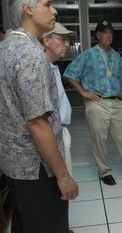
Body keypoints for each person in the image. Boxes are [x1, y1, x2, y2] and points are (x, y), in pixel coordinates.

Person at [0, 0, 78, 233]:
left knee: (24, 225)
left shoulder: (6, 47)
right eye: (48, 4)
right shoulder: (31, 56)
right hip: (38, 169)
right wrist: (63, 177)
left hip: (14, 166)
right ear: (28, 9)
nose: (54, 10)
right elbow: (37, 121)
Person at [63, 19, 122, 186]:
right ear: (98, 35)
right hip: (97, 103)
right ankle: (105, 172)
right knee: (99, 140)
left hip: (117, 103)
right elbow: (69, 73)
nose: (109, 36)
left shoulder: (117, 56)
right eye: (105, 33)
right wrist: (83, 91)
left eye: (111, 33)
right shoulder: (88, 55)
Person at [42, 22, 76, 176]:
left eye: (67, 40)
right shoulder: (41, 70)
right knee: (61, 183)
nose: (67, 44)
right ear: (46, 41)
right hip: (52, 135)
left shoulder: (52, 67)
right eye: (62, 39)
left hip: (60, 131)